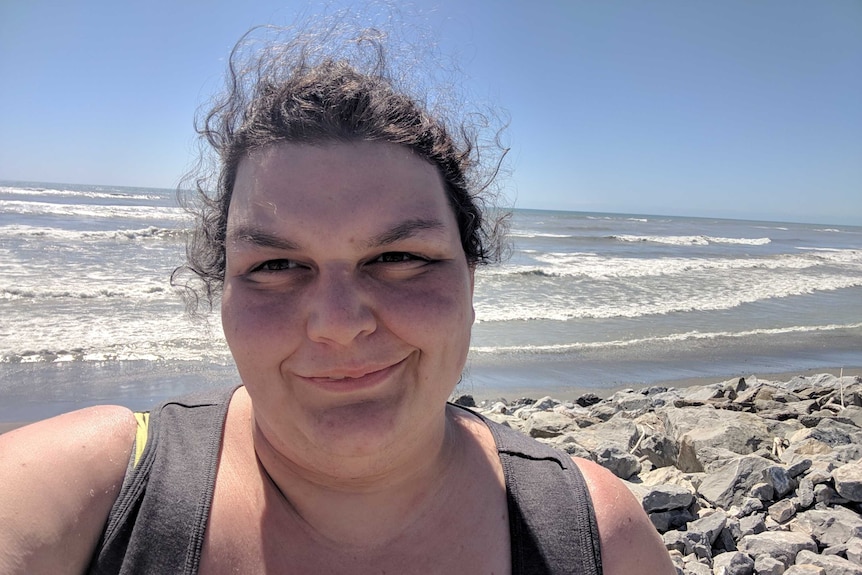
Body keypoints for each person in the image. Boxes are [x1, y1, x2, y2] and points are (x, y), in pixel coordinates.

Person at [0, 22, 675, 575]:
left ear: (471, 277)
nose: (338, 324)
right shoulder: (94, 488)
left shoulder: (594, 534)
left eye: (398, 257)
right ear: (223, 290)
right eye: (277, 264)